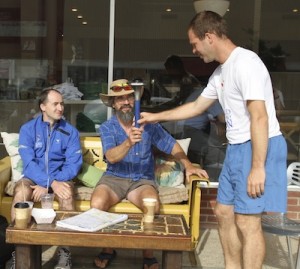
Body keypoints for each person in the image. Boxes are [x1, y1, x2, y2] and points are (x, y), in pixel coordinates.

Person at [139, 11, 287, 269]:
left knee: (247, 221)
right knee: (222, 213)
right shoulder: (221, 72)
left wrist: (257, 167)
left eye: (194, 44)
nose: (194, 50)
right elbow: (196, 106)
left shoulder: (246, 63)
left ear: (208, 37)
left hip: (258, 146)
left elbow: (260, 118)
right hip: (236, 148)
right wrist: (156, 117)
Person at [90, 79, 208, 269]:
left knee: (151, 205)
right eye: (120, 99)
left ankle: (148, 255)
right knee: (97, 204)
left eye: (129, 97)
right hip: (114, 178)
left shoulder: (149, 125)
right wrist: (129, 142)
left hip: (142, 180)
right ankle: (107, 249)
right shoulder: (107, 127)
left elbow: (171, 145)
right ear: (113, 104)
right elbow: (111, 157)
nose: (126, 102)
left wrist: (187, 164)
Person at [11, 88, 83, 269]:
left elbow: (73, 165)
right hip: (34, 178)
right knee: (20, 192)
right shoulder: (28, 129)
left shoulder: (71, 132)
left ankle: (65, 252)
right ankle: (19, 250)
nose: (60, 108)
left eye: (62, 104)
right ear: (43, 106)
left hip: (61, 178)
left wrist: (53, 183)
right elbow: (29, 163)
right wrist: (48, 183)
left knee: (66, 195)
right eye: (55, 104)